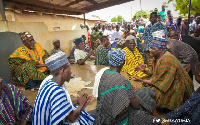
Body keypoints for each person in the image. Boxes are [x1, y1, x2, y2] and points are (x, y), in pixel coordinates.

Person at [94, 49, 161, 125]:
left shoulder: (105, 74)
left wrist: (126, 91)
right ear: (123, 62)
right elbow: (136, 105)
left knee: (141, 93)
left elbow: (112, 91)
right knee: (155, 121)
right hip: (118, 120)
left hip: (102, 115)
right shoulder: (123, 81)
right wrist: (129, 92)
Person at [132, 31, 194, 111]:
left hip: (175, 89)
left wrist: (140, 79)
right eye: (150, 47)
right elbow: (154, 72)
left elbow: (158, 82)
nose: (150, 50)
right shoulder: (157, 56)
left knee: (144, 93)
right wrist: (144, 71)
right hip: (166, 84)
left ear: (161, 50)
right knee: (142, 91)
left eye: (153, 49)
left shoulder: (167, 60)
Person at [32, 52, 95, 125]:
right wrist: (81, 104)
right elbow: (71, 118)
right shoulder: (57, 91)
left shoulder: (48, 83)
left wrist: (78, 101)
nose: (71, 73)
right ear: (63, 71)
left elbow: (59, 105)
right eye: (69, 70)